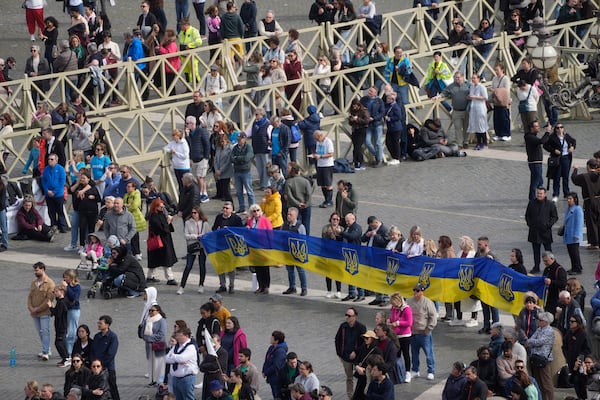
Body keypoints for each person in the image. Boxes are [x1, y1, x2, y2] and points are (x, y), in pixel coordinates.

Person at [407, 283, 437, 381]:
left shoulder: (427, 302)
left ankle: (431, 371)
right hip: (413, 332)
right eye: (414, 290)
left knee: (429, 353)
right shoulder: (409, 301)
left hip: (424, 333)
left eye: (417, 290)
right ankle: (415, 370)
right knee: (414, 353)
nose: (415, 292)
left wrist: (428, 329)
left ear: (422, 292)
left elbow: (433, 317)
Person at [335, 308, 366, 400]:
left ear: (354, 316)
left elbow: (364, 343)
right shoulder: (343, 326)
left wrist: (356, 352)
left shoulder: (361, 327)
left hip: (357, 357)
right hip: (345, 357)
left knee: (361, 377)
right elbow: (337, 339)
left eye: (349, 316)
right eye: (346, 315)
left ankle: (360, 394)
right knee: (349, 377)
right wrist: (339, 354)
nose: (346, 317)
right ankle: (350, 396)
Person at [526, 187, 558, 274]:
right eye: (538, 193)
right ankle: (536, 266)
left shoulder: (550, 204)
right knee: (536, 251)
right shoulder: (532, 203)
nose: (539, 195)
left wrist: (548, 225)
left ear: (545, 194)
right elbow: (527, 215)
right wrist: (530, 224)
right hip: (534, 232)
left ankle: (551, 267)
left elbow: (554, 217)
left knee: (548, 251)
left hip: (545, 232)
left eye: (540, 193)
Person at [179, 205, 210, 295]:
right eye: (192, 213)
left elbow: (208, 234)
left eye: (195, 213)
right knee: (188, 266)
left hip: (202, 247)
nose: (193, 214)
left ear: (199, 213)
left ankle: (201, 285)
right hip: (192, 247)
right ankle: (182, 286)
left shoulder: (205, 223)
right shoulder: (188, 223)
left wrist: (203, 236)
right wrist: (196, 236)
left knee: (202, 266)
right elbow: (186, 235)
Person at [28, 262, 56, 361]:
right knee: (40, 332)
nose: (35, 272)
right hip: (34, 313)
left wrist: (37, 309)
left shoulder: (50, 283)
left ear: (43, 269)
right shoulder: (34, 283)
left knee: (45, 331)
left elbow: (49, 299)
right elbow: (30, 297)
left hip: (45, 312)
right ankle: (46, 348)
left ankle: (46, 352)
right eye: (34, 270)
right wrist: (30, 307)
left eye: (37, 270)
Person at [147, 199, 177, 285]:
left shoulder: (160, 214)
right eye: (161, 206)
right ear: (156, 207)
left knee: (155, 260)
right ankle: (170, 278)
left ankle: (150, 276)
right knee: (165, 260)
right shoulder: (154, 217)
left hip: (162, 240)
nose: (162, 207)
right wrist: (168, 222)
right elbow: (161, 229)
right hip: (161, 240)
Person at [572, 158, 600, 250]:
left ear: (588, 166)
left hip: (589, 201)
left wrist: (575, 169)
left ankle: (594, 243)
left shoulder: (584, 176)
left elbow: (574, 179)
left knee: (591, 223)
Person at [90, 315, 120, 400]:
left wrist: (100, 365)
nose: (98, 325)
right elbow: (92, 351)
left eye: (101, 323)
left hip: (108, 367)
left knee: (112, 387)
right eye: (98, 323)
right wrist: (94, 363)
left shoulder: (112, 337)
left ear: (107, 325)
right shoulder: (97, 336)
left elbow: (111, 354)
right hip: (95, 367)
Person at [544, 124, 576, 202]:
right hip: (557, 158)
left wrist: (572, 147)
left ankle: (566, 193)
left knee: (565, 177)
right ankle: (556, 194)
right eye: (558, 128)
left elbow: (573, 141)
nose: (560, 129)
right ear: (555, 129)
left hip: (566, 158)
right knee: (556, 177)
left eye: (561, 127)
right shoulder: (552, 137)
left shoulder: (566, 136)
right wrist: (553, 150)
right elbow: (545, 145)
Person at [165, 327, 198, 400]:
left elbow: (182, 358)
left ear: (186, 336)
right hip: (175, 378)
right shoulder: (176, 346)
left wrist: (173, 357)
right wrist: (177, 359)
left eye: (180, 336)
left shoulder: (191, 347)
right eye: (177, 336)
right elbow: (167, 358)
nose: (177, 338)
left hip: (186, 378)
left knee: (187, 398)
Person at [527, 312, 554, 400]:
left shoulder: (549, 331)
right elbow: (531, 339)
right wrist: (531, 342)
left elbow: (540, 342)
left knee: (546, 383)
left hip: (543, 359)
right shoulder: (539, 329)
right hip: (535, 357)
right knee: (538, 382)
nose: (538, 321)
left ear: (546, 321)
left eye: (541, 320)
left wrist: (531, 342)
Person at [282, 207, 308, 295]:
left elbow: (304, 240)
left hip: (298, 253)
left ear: (295, 216)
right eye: (288, 214)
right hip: (287, 252)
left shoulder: (300, 227)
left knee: (300, 270)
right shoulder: (284, 225)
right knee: (290, 270)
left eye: (290, 215)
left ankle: (304, 288)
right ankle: (292, 287)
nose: (288, 216)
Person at [247, 204, 273, 293]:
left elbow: (270, 233)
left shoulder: (265, 220)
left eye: (258, 210)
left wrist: (270, 246)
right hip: (254, 247)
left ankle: (266, 286)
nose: (256, 212)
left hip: (263, 246)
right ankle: (260, 285)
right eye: (254, 211)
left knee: (265, 267)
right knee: (257, 267)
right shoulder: (250, 221)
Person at [387, 292, 412, 382]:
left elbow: (409, 323)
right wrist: (389, 320)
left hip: (405, 335)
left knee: (406, 354)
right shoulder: (394, 308)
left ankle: (408, 372)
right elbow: (392, 317)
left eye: (394, 304)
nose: (393, 306)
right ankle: (397, 371)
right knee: (396, 354)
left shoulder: (407, 309)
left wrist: (398, 323)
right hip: (395, 335)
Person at [524, 121, 550, 201]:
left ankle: (534, 197)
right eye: (536, 126)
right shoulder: (529, 137)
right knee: (538, 181)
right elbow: (541, 141)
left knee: (535, 181)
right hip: (534, 163)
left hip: (537, 162)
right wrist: (547, 132)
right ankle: (535, 198)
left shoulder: (532, 136)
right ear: (531, 128)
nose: (538, 127)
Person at [42, 153, 68, 232]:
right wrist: (47, 190)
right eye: (49, 159)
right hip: (48, 194)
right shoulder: (46, 169)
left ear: (56, 160)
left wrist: (54, 191)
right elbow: (43, 181)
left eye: (52, 159)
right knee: (51, 211)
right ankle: (53, 226)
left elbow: (62, 182)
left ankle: (62, 227)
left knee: (60, 211)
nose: (50, 161)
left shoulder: (60, 169)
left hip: (58, 194)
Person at [143, 304, 167, 386]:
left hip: (158, 345)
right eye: (149, 310)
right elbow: (143, 332)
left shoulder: (161, 320)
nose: (150, 312)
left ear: (158, 311)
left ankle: (159, 381)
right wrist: (146, 337)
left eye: (152, 310)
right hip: (149, 346)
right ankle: (152, 380)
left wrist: (149, 338)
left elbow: (161, 334)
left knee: (159, 364)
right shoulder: (147, 320)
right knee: (151, 363)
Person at [48, 284, 70, 368]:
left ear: (62, 292)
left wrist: (50, 307)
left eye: (56, 291)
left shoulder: (61, 303)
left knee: (58, 343)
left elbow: (57, 314)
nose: (55, 293)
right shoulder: (63, 301)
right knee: (62, 342)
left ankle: (65, 358)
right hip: (62, 326)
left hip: (61, 326)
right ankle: (66, 357)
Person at [231, 132, 254, 213]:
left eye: (240, 139)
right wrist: (240, 159)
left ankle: (252, 207)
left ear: (244, 139)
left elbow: (247, 158)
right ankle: (242, 207)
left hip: (246, 172)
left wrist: (237, 158)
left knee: (249, 191)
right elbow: (231, 158)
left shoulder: (248, 147)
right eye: (238, 139)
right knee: (239, 191)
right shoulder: (235, 148)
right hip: (237, 172)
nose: (239, 141)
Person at [262, 330, 288, 400]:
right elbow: (267, 360)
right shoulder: (272, 348)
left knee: (277, 395)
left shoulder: (280, 351)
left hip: (276, 377)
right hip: (271, 376)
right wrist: (263, 370)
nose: (270, 338)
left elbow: (276, 366)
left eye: (272, 338)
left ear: (276, 340)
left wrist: (266, 372)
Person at [123, 180, 146, 260]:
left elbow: (135, 205)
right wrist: (127, 205)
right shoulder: (126, 195)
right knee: (129, 236)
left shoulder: (136, 194)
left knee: (135, 236)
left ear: (134, 188)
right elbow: (123, 205)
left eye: (129, 187)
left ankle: (137, 252)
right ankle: (132, 252)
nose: (127, 188)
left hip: (135, 217)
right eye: (127, 186)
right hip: (127, 217)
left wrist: (127, 206)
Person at [563, 192, 584, 275]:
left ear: (575, 199)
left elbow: (579, 223)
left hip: (574, 234)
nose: (568, 200)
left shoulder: (577, 209)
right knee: (571, 252)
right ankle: (574, 266)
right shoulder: (568, 208)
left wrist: (577, 235)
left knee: (575, 252)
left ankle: (577, 268)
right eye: (568, 199)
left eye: (570, 199)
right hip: (568, 233)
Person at [164, 129, 191, 194]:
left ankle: (187, 198)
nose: (173, 137)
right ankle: (181, 197)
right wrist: (170, 151)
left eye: (174, 135)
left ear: (178, 136)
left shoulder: (184, 143)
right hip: (176, 167)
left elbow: (185, 156)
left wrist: (175, 153)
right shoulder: (172, 143)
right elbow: (165, 148)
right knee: (180, 184)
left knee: (185, 184)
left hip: (184, 167)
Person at [466, 74, 489, 150]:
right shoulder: (472, 86)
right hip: (474, 107)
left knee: (481, 125)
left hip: (480, 108)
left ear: (478, 79)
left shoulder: (481, 87)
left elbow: (485, 97)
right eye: (472, 78)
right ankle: (479, 143)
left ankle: (484, 143)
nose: (473, 80)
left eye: (475, 78)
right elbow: (471, 95)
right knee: (476, 125)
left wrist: (475, 97)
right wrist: (469, 97)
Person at [490, 63, 512, 141]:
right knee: (497, 118)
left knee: (504, 117)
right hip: (496, 100)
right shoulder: (494, 78)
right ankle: (498, 133)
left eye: (497, 70)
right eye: (495, 70)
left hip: (503, 100)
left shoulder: (505, 79)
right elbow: (492, 87)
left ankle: (506, 133)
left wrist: (496, 90)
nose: (496, 71)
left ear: (502, 70)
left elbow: (506, 90)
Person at [313, 130, 334, 208]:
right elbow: (317, 151)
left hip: (327, 165)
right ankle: (326, 199)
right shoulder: (318, 142)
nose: (316, 140)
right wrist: (315, 155)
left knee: (328, 183)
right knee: (322, 184)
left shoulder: (328, 142)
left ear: (320, 136)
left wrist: (321, 156)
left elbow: (331, 154)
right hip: (320, 165)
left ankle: (329, 200)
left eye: (316, 138)